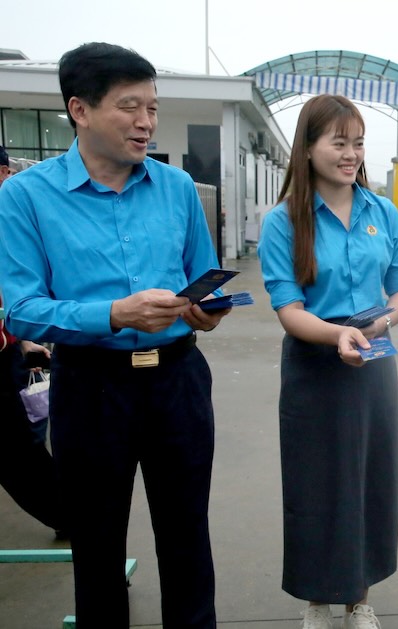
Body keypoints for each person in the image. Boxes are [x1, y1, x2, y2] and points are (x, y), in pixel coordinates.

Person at [0, 42, 230, 627]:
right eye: (130, 106)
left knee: (187, 538)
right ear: (79, 109)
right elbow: (22, 309)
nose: (146, 122)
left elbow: (202, 283)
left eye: (152, 107)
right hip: (91, 388)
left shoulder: (177, 187)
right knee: (96, 545)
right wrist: (113, 315)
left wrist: (206, 311)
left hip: (178, 380)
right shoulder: (25, 196)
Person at [258, 93, 398, 629]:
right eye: (338, 142)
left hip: (373, 365)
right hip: (313, 370)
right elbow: (288, 309)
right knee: (316, 486)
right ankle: (318, 601)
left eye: (358, 143)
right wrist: (338, 335)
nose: (351, 154)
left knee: (369, 483)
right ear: (307, 148)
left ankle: (359, 600)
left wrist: (379, 325)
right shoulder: (284, 222)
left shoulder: (381, 211)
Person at [0, 295, 64, 535]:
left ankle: (69, 516)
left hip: (6, 356)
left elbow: (8, 300)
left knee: (20, 448)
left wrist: (24, 342)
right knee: (18, 450)